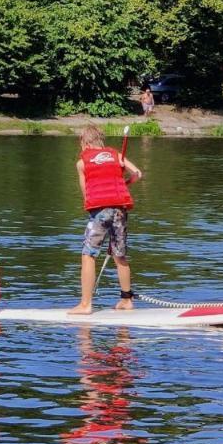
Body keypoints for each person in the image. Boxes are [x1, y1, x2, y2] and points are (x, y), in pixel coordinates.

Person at [67, 125, 143, 315]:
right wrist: (123, 183)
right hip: (120, 209)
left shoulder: (81, 163)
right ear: (101, 140)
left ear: (84, 142)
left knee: (88, 254)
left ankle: (85, 304)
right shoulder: (116, 155)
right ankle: (126, 300)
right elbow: (138, 174)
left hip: (100, 210)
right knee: (120, 255)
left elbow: (86, 193)